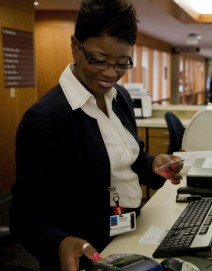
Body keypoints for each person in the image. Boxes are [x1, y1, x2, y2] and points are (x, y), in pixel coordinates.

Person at [9, 1, 183, 270]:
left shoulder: (120, 97)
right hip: (87, 254)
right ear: (75, 47)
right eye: (99, 60)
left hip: (128, 232)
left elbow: (128, 157)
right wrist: (60, 242)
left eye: (122, 63)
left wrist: (152, 164)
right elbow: (24, 216)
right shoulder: (45, 119)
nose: (111, 73)